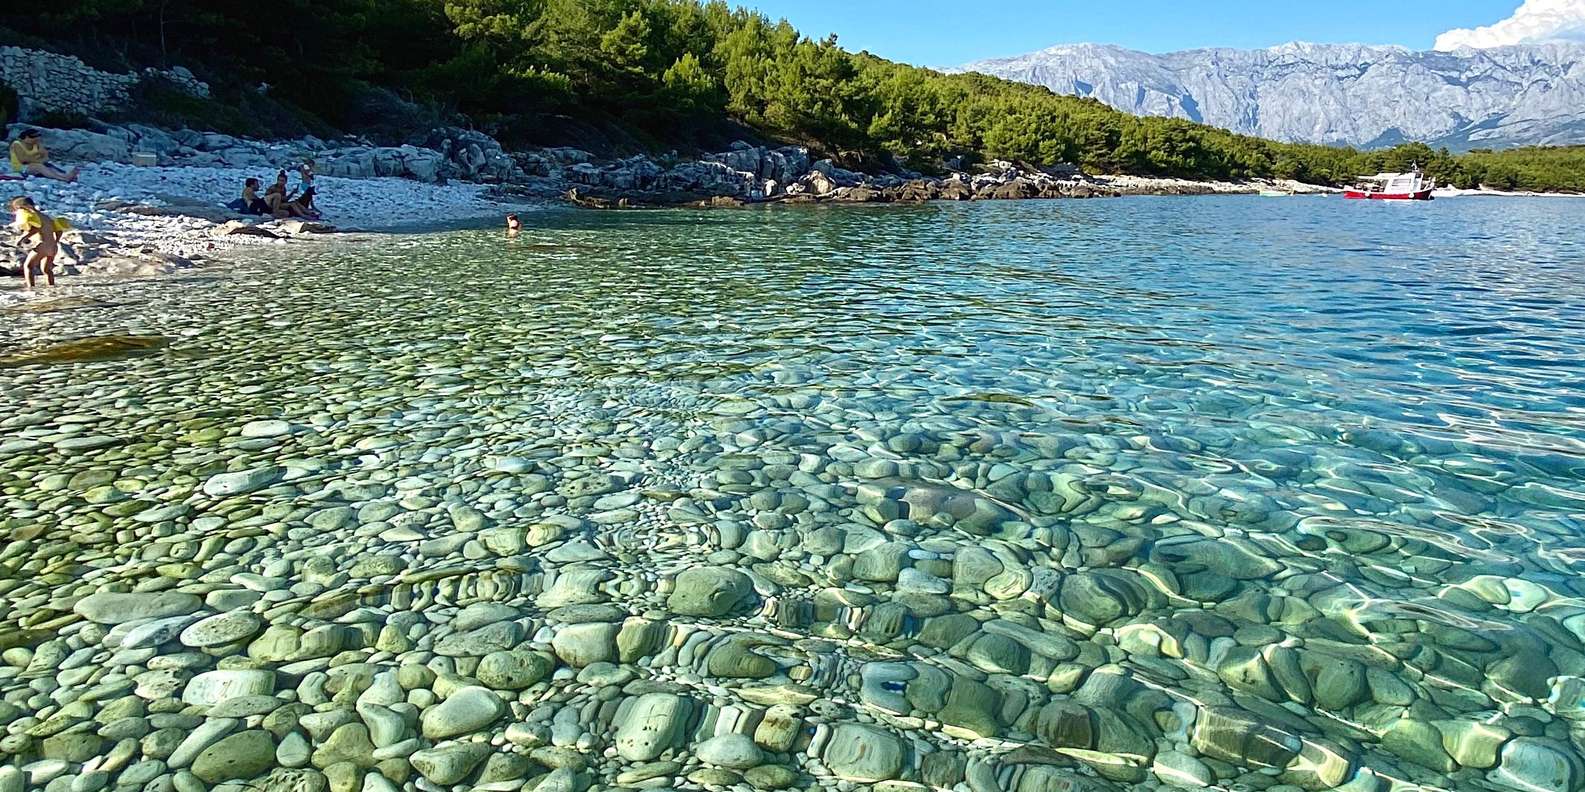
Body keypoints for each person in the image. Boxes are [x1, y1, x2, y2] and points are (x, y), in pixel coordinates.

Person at [10, 196, 68, 289]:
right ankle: (51, 288)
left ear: (26, 206)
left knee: (28, 266)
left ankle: (31, 288)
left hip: (42, 244)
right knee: (46, 270)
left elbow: (35, 229)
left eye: (19, 208)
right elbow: (59, 231)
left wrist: (22, 239)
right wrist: (55, 241)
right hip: (52, 247)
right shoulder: (46, 217)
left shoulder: (32, 216)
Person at [9, 130, 78, 183]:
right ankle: (63, 179)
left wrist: (36, 158)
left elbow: (46, 156)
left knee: (48, 167)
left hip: (35, 164)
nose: (36, 139)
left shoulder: (36, 144)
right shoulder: (17, 144)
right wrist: (39, 160)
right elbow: (23, 159)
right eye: (33, 137)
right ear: (26, 137)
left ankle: (66, 176)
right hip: (21, 168)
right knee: (39, 166)